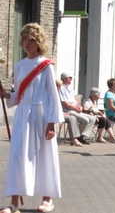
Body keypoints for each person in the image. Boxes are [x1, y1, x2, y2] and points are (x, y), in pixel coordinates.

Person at [0, 23, 64, 213]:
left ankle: (47, 199)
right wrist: (6, 96)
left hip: (42, 115)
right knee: (18, 156)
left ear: (38, 42)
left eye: (32, 39)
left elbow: (53, 96)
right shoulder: (19, 66)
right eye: (25, 38)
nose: (27, 43)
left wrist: (51, 123)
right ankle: (14, 202)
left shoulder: (46, 66)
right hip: (23, 116)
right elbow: (19, 95)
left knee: (45, 156)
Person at [58, 72, 96, 145]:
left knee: (92, 118)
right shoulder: (61, 89)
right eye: (70, 78)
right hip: (68, 110)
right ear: (66, 79)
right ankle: (76, 136)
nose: (71, 79)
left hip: (74, 109)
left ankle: (82, 136)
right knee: (85, 120)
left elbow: (74, 102)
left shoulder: (69, 89)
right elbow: (66, 103)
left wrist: (79, 106)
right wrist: (76, 108)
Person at [56, 79, 83, 147]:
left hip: (61, 112)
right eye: (59, 86)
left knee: (72, 117)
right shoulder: (53, 95)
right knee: (71, 118)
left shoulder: (57, 94)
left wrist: (62, 112)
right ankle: (74, 139)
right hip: (55, 114)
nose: (60, 87)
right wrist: (62, 113)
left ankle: (74, 138)